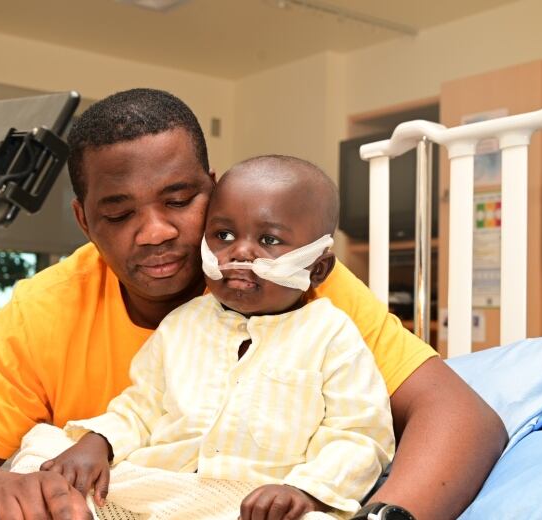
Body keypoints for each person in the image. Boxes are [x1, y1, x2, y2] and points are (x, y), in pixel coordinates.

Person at [0, 88, 507, 520]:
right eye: (119, 212)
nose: (156, 230)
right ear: (84, 220)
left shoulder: (299, 288)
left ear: (214, 189)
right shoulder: (43, 310)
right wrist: (6, 490)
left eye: (181, 199)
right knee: (43, 446)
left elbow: (461, 419)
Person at [40, 155, 395, 520]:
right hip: (163, 491)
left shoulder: (331, 336)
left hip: (257, 505)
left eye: (269, 239)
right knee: (42, 450)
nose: (239, 252)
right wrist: (99, 443)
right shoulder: (181, 325)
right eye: (223, 236)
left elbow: (360, 435)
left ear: (317, 268)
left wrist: (304, 491)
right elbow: (141, 406)